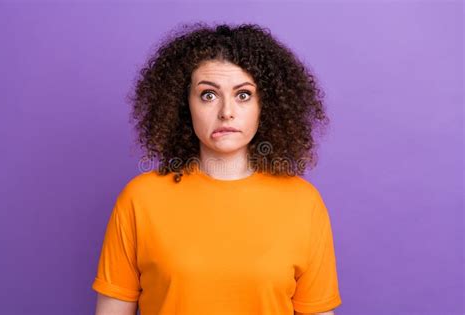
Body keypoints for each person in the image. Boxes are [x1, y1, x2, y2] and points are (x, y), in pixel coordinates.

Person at [91, 22, 342, 315]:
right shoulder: (139, 199)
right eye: (208, 95)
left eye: (243, 95)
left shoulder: (304, 202)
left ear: (266, 106)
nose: (226, 111)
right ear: (185, 105)